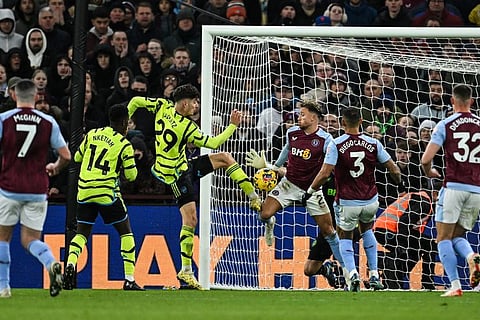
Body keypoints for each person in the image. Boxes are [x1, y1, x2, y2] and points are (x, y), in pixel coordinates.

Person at [127, 84, 262, 289]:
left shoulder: (162, 105)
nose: (196, 106)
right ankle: (186, 271)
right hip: (173, 175)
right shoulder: (187, 127)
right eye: (194, 102)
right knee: (190, 219)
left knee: (225, 158)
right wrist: (233, 125)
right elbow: (215, 142)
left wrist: (120, 128)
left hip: (185, 167)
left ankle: (253, 198)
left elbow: (136, 101)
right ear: (184, 103)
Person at [246, 100, 346, 283]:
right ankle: (271, 223)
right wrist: (272, 167)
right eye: (299, 114)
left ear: (314, 118)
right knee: (264, 214)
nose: (299, 117)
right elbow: (286, 151)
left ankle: (348, 273)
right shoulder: (292, 133)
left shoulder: (326, 140)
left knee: (329, 231)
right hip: (288, 185)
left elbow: (329, 167)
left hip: (312, 190)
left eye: (302, 114)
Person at [307, 107, 402, 292]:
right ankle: (374, 274)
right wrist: (400, 184)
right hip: (370, 200)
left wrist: (310, 190)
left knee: (345, 237)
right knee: (367, 231)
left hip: (347, 201)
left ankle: (352, 275)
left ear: (343, 123)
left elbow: (325, 173)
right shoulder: (374, 143)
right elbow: (393, 168)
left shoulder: (336, 144)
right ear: (361, 122)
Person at [0, 79, 71, 298]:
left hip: (9, 187)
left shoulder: (4, 119)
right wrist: (55, 167)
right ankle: (50, 263)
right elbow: (66, 155)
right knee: (30, 239)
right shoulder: (48, 121)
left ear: (14, 96)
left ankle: (4, 287)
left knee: (3, 239)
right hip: (37, 190)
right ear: (35, 96)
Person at [63, 104, 144, 291]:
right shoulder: (124, 144)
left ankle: (70, 265)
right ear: (124, 123)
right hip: (107, 193)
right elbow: (132, 176)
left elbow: (76, 158)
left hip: (83, 191)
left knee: (81, 233)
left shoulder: (92, 134)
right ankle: (129, 279)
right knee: (126, 232)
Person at [421, 83, 480, 297]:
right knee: (458, 235)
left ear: (452, 101)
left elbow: (425, 159)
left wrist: (430, 171)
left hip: (453, 186)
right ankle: (472, 256)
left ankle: (455, 285)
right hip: (476, 190)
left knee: (443, 237)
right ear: (471, 101)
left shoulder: (445, 124)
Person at [374, 188, 438, 290]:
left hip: (385, 228)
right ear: (435, 193)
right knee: (428, 246)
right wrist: (402, 246)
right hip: (389, 229)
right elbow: (404, 221)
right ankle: (427, 283)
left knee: (419, 248)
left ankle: (393, 277)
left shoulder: (422, 199)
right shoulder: (423, 202)